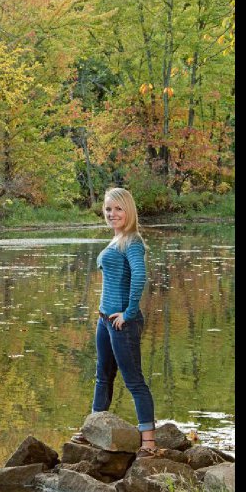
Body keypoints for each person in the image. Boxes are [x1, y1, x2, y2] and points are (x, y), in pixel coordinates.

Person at [71, 187, 158, 457]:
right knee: (102, 377)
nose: (112, 214)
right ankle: (94, 428)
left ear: (128, 211)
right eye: (108, 209)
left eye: (118, 209)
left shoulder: (132, 241)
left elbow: (139, 277)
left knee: (134, 381)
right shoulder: (116, 239)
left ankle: (148, 442)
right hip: (104, 320)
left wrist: (129, 313)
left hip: (123, 323)